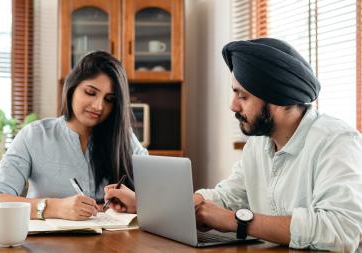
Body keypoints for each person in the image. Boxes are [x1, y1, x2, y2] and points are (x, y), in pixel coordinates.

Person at [105, 38, 362, 252]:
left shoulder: (337, 141)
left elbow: (342, 229)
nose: (233, 105)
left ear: (279, 98)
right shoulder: (258, 144)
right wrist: (148, 204)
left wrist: (237, 222)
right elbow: (228, 197)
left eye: (243, 96)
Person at [0, 51, 148, 221]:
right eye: (91, 92)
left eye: (109, 99)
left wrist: (139, 203)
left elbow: (163, 197)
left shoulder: (125, 139)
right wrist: (54, 207)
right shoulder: (33, 136)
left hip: (116, 244)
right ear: (72, 87)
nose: (99, 106)